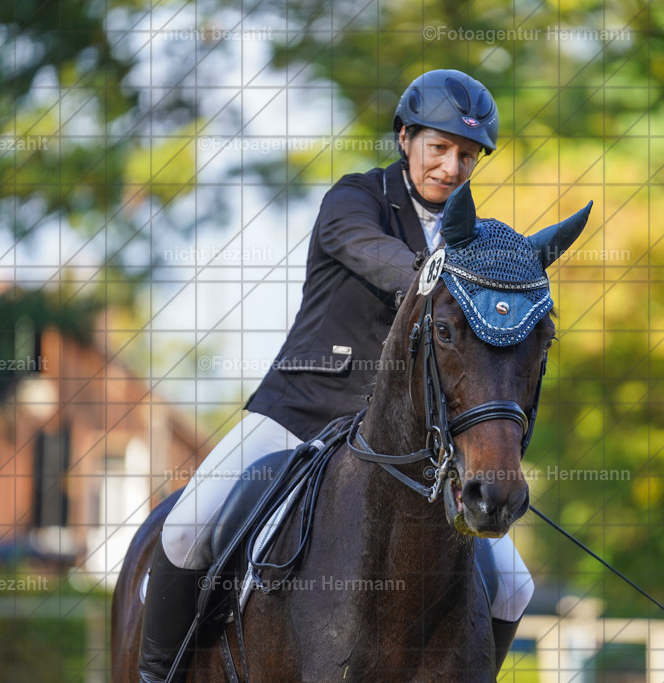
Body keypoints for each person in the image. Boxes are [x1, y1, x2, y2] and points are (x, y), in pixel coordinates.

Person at [137, 69, 534, 682]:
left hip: (406, 445)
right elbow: (377, 257)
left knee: (513, 586)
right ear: (405, 138)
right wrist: (443, 279)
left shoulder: (475, 244)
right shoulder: (354, 200)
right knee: (188, 530)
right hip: (300, 411)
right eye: (439, 148)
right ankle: (155, 676)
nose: (452, 168)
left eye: (466, 155)